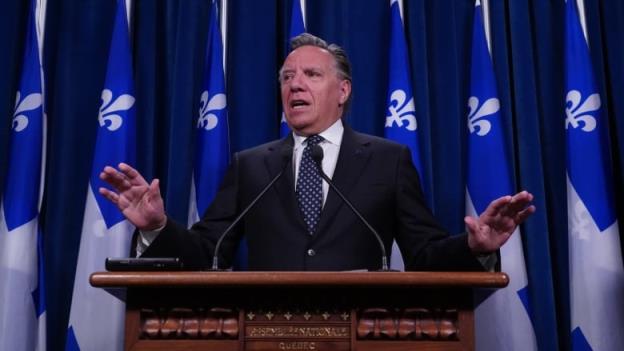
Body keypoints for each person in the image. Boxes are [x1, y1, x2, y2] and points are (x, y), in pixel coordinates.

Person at [99, 33, 535, 271]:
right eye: (287, 77)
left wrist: (477, 248)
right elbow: (208, 251)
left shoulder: (388, 160)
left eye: (311, 74)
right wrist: (158, 226)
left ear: (342, 90)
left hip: (362, 331)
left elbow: (424, 254)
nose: (294, 85)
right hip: (266, 332)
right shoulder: (252, 166)